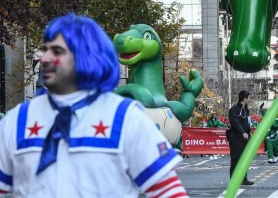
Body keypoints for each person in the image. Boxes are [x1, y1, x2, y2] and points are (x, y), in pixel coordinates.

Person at [0, 14, 188, 197]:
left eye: (57, 51)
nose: (44, 59)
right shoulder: (17, 120)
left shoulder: (125, 118)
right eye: (46, 49)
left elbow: (168, 191)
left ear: (85, 58)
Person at [228, 90, 254, 186]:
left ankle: (243, 179)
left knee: (245, 158)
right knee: (236, 158)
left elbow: (247, 122)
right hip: (236, 137)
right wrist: (242, 132)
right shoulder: (234, 109)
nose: (249, 100)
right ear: (244, 98)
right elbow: (235, 122)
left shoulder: (246, 110)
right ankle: (234, 180)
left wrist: (249, 131)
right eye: (248, 98)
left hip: (246, 137)